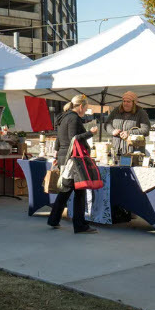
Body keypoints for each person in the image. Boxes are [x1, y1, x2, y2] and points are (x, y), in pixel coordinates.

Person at [47, 95, 98, 234]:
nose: (85, 111)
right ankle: (79, 225)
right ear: (81, 106)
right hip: (73, 159)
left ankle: (53, 219)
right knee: (79, 191)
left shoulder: (63, 118)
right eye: (86, 108)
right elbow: (73, 139)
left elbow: (59, 139)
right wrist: (90, 133)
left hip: (65, 157)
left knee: (66, 190)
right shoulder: (74, 118)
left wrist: (57, 154)